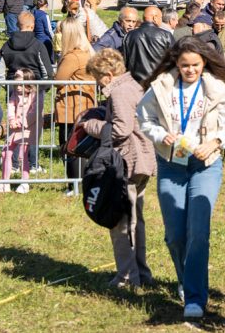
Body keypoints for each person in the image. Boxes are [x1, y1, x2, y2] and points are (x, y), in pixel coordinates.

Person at [137, 36, 225, 319]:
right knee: (175, 235)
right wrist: (161, 135)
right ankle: (185, 279)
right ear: (176, 64)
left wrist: (215, 142)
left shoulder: (216, 89)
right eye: (185, 65)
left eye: (195, 65)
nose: (190, 70)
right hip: (171, 164)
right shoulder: (161, 87)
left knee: (198, 232)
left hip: (205, 164)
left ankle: (195, 297)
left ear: (204, 62)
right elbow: (144, 118)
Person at [81, 49, 155, 288]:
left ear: (109, 75)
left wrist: (91, 125)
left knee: (121, 222)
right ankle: (141, 273)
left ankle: (127, 276)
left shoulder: (120, 92)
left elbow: (121, 129)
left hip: (127, 162)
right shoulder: (134, 85)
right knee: (135, 219)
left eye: (97, 78)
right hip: (141, 161)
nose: (97, 83)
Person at [53, 18, 95, 194]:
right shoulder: (88, 52)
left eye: (60, 32)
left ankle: (74, 186)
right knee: (80, 147)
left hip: (71, 108)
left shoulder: (73, 56)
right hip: (84, 105)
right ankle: (79, 184)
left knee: (70, 146)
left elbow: (59, 80)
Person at [0, 69, 40, 194]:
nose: (18, 87)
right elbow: (11, 106)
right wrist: (12, 120)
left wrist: (22, 122)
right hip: (15, 127)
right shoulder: (15, 94)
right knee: (5, 152)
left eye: (20, 84)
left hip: (28, 128)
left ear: (29, 83)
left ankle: (24, 183)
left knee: (22, 155)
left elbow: (35, 111)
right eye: (16, 84)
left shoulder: (36, 95)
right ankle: (4, 184)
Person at [123, 6, 173, 83]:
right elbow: (174, 60)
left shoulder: (129, 35)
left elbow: (125, 61)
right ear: (155, 18)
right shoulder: (166, 35)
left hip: (135, 82)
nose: (161, 21)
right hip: (157, 82)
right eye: (161, 18)